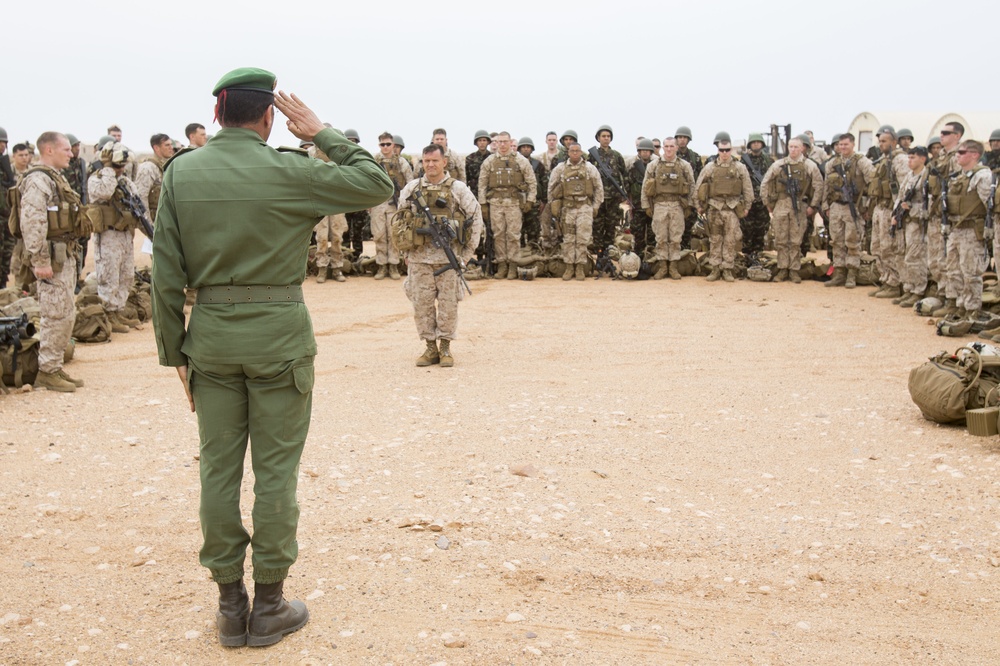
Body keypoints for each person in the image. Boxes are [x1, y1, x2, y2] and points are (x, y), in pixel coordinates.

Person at [150, 68, 393, 648]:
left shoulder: (182, 171)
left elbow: (164, 272)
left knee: (218, 469)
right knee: (276, 474)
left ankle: (230, 606)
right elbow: (375, 184)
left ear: (217, 115)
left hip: (209, 340)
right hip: (279, 339)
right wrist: (321, 132)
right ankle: (270, 603)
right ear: (268, 118)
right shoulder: (293, 169)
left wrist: (173, 353)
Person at [398, 144, 483, 366]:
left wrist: (466, 254)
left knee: (448, 305)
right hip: (419, 260)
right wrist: (404, 252)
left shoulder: (458, 189)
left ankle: (445, 347)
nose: (430, 165)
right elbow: (400, 222)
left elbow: (475, 219)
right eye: (426, 161)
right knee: (421, 305)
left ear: (444, 162)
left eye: (435, 160)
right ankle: (429, 348)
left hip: (449, 260)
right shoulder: (410, 189)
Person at [12, 132, 85, 391]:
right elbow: (32, 221)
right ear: (49, 150)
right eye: (66, 149)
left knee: (65, 313)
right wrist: (40, 260)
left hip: (62, 254)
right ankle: (47, 371)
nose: (71, 153)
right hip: (50, 259)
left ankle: (53, 366)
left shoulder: (54, 177)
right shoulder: (38, 179)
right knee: (55, 314)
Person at [88, 142, 145, 333]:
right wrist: (108, 170)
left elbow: (137, 204)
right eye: (117, 165)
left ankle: (118, 310)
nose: (120, 169)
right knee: (109, 275)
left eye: (122, 166)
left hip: (125, 235)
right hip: (108, 235)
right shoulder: (98, 179)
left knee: (126, 275)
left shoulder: (125, 182)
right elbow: (104, 193)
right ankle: (107, 314)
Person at [759, 137, 823, 283]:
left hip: (799, 206)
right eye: (791, 146)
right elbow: (765, 183)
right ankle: (782, 269)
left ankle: (794, 270)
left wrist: (813, 206)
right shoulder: (779, 165)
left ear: (802, 149)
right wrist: (767, 203)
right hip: (781, 205)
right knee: (781, 239)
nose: (793, 150)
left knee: (795, 240)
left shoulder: (809, 165)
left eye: (796, 147)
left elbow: (819, 185)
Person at [477, 131, 536, 279]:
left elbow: (531, 181)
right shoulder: (489, 162)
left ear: (510, 143)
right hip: (496, 203)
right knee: (498, 235)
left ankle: (513, 264)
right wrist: (483, 204)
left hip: (514, 203)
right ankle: (502, 264)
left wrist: (530, 200)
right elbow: (482, 184)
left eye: (505, 141)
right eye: (499, 142)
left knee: (513, 235)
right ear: (495, 143)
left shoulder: (520, 161)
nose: (502, 145)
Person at [695, 137, 753, 282]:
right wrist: (699, 206)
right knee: (714, 240)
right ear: (718, 150)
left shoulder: (740, 167)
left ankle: (727, 269)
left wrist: (747, 207)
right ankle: (715, 269)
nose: (725, 153)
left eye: (727, 150)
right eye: (722, 150)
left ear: (731, 150)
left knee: (730, 240)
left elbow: (747, 189)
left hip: (732, 208)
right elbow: (698, 188)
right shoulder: (710, 167)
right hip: (714, 208)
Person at [944, 139, 992, 318]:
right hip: (956, 229)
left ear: (974, 155)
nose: (957, 155)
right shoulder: (960, 176)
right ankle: (959, 306)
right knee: (953, 270)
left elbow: (991, 205)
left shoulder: (982, 176)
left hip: (972, 230)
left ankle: (972, 310)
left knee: (971, 272)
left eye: (962, 152)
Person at [822, 133, 874, 289]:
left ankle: (852, 274)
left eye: (846, 144)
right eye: (840, 144)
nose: (842, 147)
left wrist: (867, 207)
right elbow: (826, 186)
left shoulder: (862, 162)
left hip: (854, 207)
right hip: (836, 206)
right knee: (836, 241)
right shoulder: (831, 164)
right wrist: (825, 206)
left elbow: (873, 184)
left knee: (853, 241)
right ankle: (839, 273)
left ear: (853, 144)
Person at [548, 143, 603, 280]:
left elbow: (599, 189)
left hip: (584, 207)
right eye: (572, 151)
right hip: (567, 208)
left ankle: (579, 267)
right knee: (568, 238)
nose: (574, 153)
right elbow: (551, 188)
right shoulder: (560, 169)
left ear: (581, 152)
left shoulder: (590, 168)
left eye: (577, 151)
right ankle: (568, 267)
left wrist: (595, 206)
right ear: (568, 152)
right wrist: (553, 206)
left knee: (582, 238)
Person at [867, 126, 910, 300]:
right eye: (880, 141)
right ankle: (885, 279)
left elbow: (905, 187)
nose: (881, 144)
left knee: (889, 247)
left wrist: (897, 211)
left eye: (884, 141)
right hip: (879, 208)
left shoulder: (900, 160)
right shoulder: (883, 160)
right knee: (876, 247)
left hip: (890, 209)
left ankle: (894, 283)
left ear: (894, 142)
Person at [641, 137, 694, 278]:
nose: (669, 149)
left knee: (676, 238)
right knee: (661, 238)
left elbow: (692, 186)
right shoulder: (654, 165)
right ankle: (663, 267)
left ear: (676, 147)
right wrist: (646, 205)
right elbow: (645, 186)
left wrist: (689, 205)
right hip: (660, 205)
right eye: (666, 146)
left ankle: (674, 267)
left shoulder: (684, 166)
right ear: (662, 147)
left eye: (672, 146)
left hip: (677, 205)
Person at [371, 131, 414, 279]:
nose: (385, 147)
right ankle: (382, 266)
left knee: (394, 235)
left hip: (395, 204)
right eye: (382, 144)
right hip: (378, 203)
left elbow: (410, 183)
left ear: (393, 145)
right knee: (379, 235)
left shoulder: (401, 162)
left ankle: (394, 265)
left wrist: (407, 204)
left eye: (388, 144)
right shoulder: (374, 161)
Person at [893, 146, 931, 308]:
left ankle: (918, 290)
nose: (909, 161)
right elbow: (901, 197)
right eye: (908, 158)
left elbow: (931, 204)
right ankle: (908, 288)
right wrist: (895, 214)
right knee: (906, 256)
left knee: (916, 258)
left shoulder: (926, 177)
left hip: (919, 223)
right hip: (907, 222)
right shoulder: (909, 176)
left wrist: (913, 209)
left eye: (913, 158)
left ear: (922, 159)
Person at [587, 125, 627, 253]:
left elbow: (624, 174)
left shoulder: (616, 155)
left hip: (613, 197)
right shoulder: (593, 156)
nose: (606, 138)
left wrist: (623, 191)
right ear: (598, 138)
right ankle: (598, 253)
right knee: (597, 226)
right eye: (603, 136)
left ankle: (608, 253)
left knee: (611, 226)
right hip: (598, 197)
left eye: (608, 136)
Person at [740, 133, 774, 263]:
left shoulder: (769, 160)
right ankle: (747, 257)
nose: (755, 144)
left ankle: (758, 254)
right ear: (749, 144)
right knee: (747, 229)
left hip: (763, 202)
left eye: (758, 142)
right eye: (753, 142)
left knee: (761, 229)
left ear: (762, 144)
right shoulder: (743, 161)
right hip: (749, 201)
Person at [628, 138, 657, 259]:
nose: (645, 153)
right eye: (642, 151)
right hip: (637, 207)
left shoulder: (656, 167)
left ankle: (651, 259)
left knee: (652, 235)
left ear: (651, 152)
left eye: (647, 151)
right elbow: (628, 186)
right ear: (639, 152)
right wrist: (629, 203)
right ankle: (638, 260)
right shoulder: (633, 168)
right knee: (638, 235)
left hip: (652, 207)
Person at [135, 133, 175, 220]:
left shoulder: (168, 166)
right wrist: (148, 224)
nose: (171, 148)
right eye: (167, 145)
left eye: (171, 144)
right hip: (155, 220)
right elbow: (141, 197)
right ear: (156, 148)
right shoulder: (148, 168)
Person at [674, 126, 702, 250]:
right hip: (674, 200)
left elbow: (700, 180)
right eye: (680, 137)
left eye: (685, 137)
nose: (682, 140)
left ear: (688, 139)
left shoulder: (695, 158)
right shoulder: (671, 156)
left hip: (690, 200)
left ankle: (686, 256)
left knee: (688, 229)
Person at [517, 136, 548, 247]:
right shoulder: (514, 164)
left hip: (534, 202)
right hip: (517, 202)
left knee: (534, 231)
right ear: (519, 149)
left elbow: (544, 184)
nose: (526, 149)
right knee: (517, 231)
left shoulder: (538, 165)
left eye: (528, 147)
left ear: (532, 149)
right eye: (523, 147)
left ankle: (533, 254)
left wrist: (543, 202)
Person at [465, 130, 491, 197]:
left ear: (488, 142)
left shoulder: (493, 158)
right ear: (476, 143)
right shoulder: (470, 158)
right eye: (479, 140)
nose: (482, 143)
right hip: (474, 193)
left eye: (484, 140)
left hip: (489, 192)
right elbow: (466, 177)